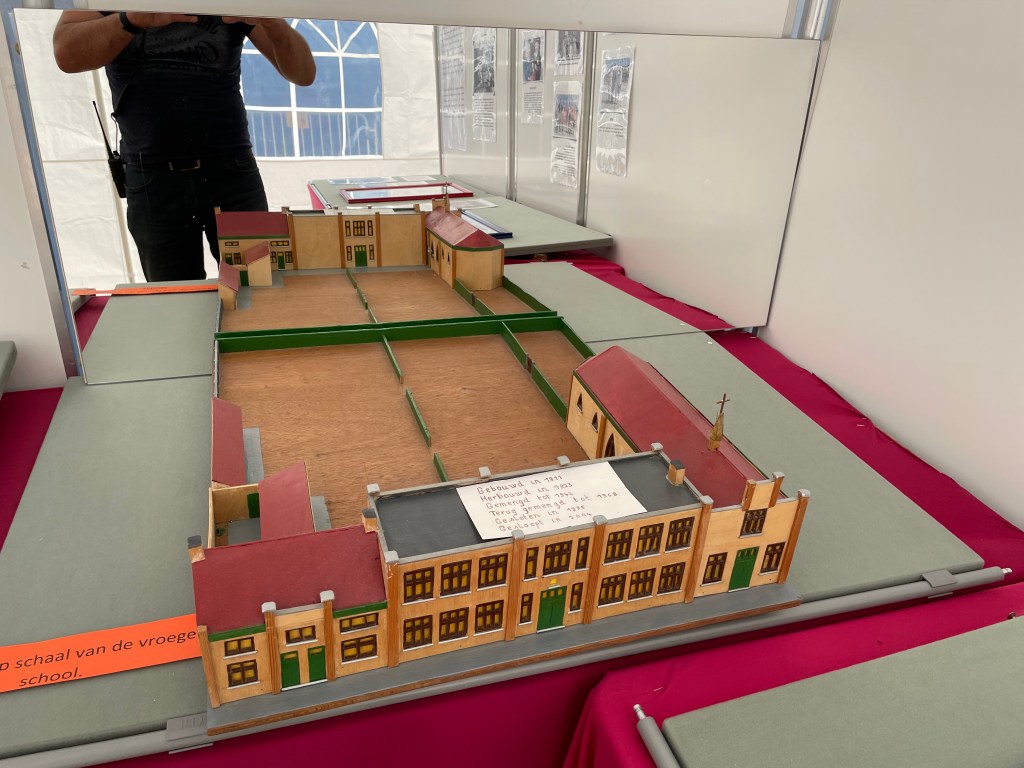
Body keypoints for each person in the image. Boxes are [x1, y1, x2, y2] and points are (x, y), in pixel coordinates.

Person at [53, 12, 315, 282]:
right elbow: (66, 54)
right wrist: (132, 19)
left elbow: (304, 73)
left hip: (230, 174)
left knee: (258, 289)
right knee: (177, 299)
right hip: (154, 180)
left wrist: (272, 20)